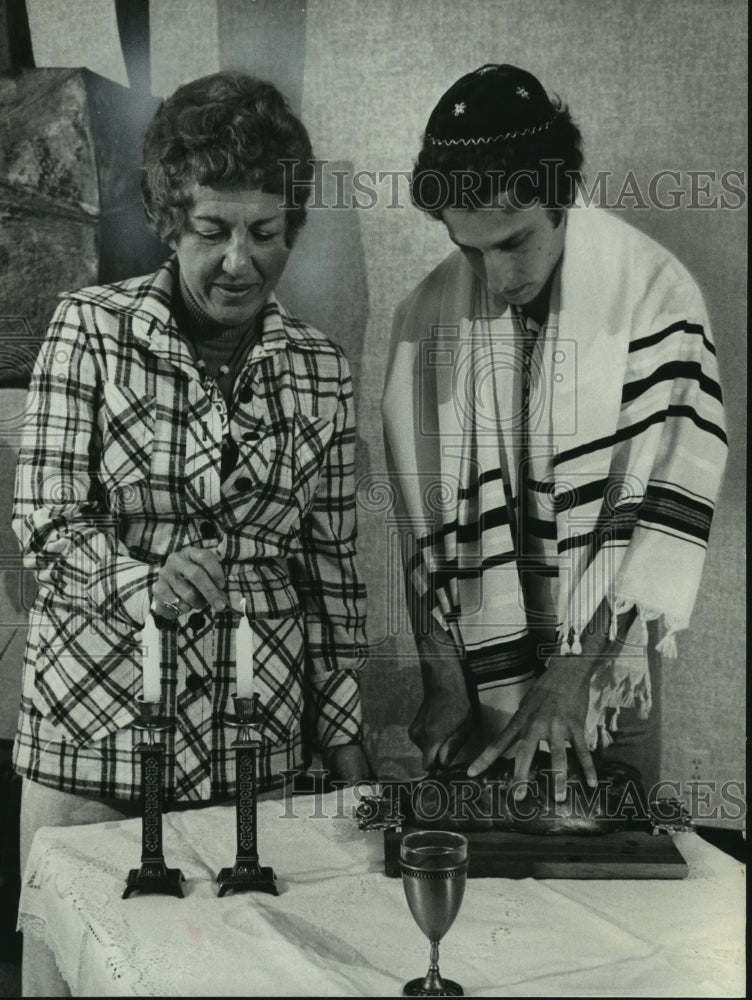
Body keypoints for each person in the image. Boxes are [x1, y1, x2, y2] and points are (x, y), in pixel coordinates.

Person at [13, 71, 371, 874]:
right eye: (213, 229)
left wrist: (345, 741)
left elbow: (332, 574)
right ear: (166, 223)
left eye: (266, 232)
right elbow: (45, 522)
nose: (240, 262)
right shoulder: (90, 330)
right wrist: (144, 583)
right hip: (96, 739)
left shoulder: (321, 369)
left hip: (257, 751)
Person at [382, 64, 727, 803]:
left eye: (512, 242)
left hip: (604, 668)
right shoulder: (426, 317)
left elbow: (666, 503)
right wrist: (442, 674)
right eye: (469, 249)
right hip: (484, 667)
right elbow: (423, 522)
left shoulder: (656, 296)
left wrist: (576, 670)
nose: (494, 276)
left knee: (607, 875)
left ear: (562, 194)